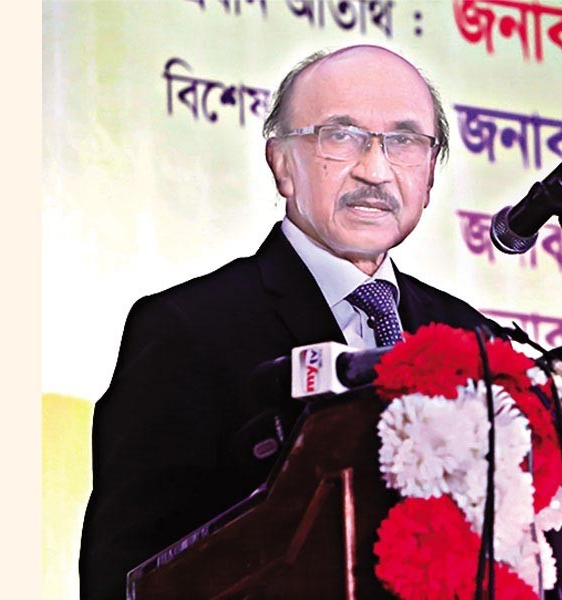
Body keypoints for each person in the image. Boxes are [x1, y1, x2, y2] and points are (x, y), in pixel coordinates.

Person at [79, 45, 507, 599]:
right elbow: (124, 574)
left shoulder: (473, 338)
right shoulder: (186, 329)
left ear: (429, 172)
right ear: (282, 163)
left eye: (403, 141)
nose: (374, 170)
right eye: (341, 135)